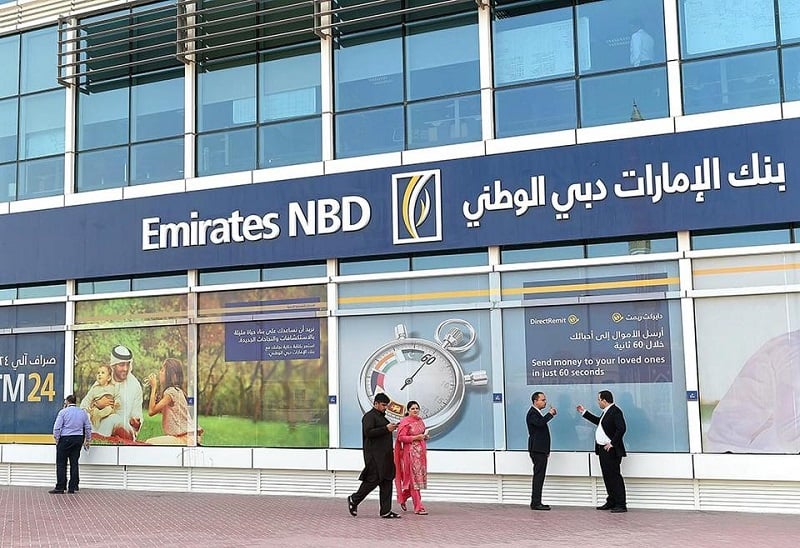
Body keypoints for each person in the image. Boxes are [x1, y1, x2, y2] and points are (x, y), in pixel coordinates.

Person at [347, 392, 401, 519]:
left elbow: (383, 430)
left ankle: (386, 511)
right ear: (376, 403)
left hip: (386, 456)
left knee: (387, 481)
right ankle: (354, 499)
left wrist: (391, 427)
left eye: (386, 405)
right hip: (374, 456)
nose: (385, 407)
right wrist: (386, 429)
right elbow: (368, 432)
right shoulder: (369, 417)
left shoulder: (383, 418)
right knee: (372, 480)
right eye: (383, 405)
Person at [577, 390, 628, 513]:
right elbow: (599, 423)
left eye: (599, 400)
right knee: (607, 476)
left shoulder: (615, 411)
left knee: (614, 476)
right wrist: (584, 412)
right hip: (603, 450)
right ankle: (612, 501)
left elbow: (621, 428)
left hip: (611, 450)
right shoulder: (606, 412)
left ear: (604, 400)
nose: (598, 402)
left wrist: (612, 443)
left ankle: (621, 504)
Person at [93, 345, 143, 440]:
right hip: (100, 426)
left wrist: (136, 423)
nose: (125, 369)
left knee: (112, 419)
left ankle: (100, 441)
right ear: (113, 366)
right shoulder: (104, 379)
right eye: (122, 365)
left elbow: (137, 416)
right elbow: (87, 405)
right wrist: (97, 404)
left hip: (124, 430)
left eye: (127, 364)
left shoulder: (135, 385)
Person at [145, 358, 197, 445]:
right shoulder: (177, 391)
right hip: (189, 437)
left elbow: (151, 411)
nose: (159, 373)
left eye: (162, 370)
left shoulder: (171, 393)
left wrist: (154, 387)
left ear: (171, 375)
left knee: (149, 443)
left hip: (185, 438)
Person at [394, 400, 430, 515]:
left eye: (417, 408)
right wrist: (415, 438)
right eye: (412, 408)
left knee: (417, 480)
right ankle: (418, 507)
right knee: (414, 481)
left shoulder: (420, 421)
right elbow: (401, 438)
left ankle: (402, 497)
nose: (415, 410)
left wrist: (424, 437)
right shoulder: (405, 422)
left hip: (420, 455)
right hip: (410, 454)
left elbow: (421, 435)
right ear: (408, 410)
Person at [50, 394, 92, 494]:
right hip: (78, 439)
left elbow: (57, 427)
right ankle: (73, 486)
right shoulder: (82, 412)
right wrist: (87, 439)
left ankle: (60, 487)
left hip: (65, 439)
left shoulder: (63, 412)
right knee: (74, 463)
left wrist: (57, 438)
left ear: (67, 402)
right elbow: (87, 427)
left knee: (61, 463)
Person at [527, 391, 556, 511]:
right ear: (535, 401)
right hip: (537, 449)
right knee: (539, 476)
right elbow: (539, 424)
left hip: (541, 450)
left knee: (540, 475)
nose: (545, 402)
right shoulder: (532, 413)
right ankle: (536, 502)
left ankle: (537, 501)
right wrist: (550, 414)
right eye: (542, 400)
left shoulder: (537, 413)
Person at [79, 364, 120, 429]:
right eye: (98, 373)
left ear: (109, 378)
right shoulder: (95, 388)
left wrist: (117, 402)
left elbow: (117, 396)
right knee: (94, 411)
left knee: (109, 409)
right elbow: (88, 399)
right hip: (96, 409)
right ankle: (96, 425)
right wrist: (87, 408)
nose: (99, 374)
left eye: (102, 373)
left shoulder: (112, 387)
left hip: (108, 409)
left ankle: (100, 419)